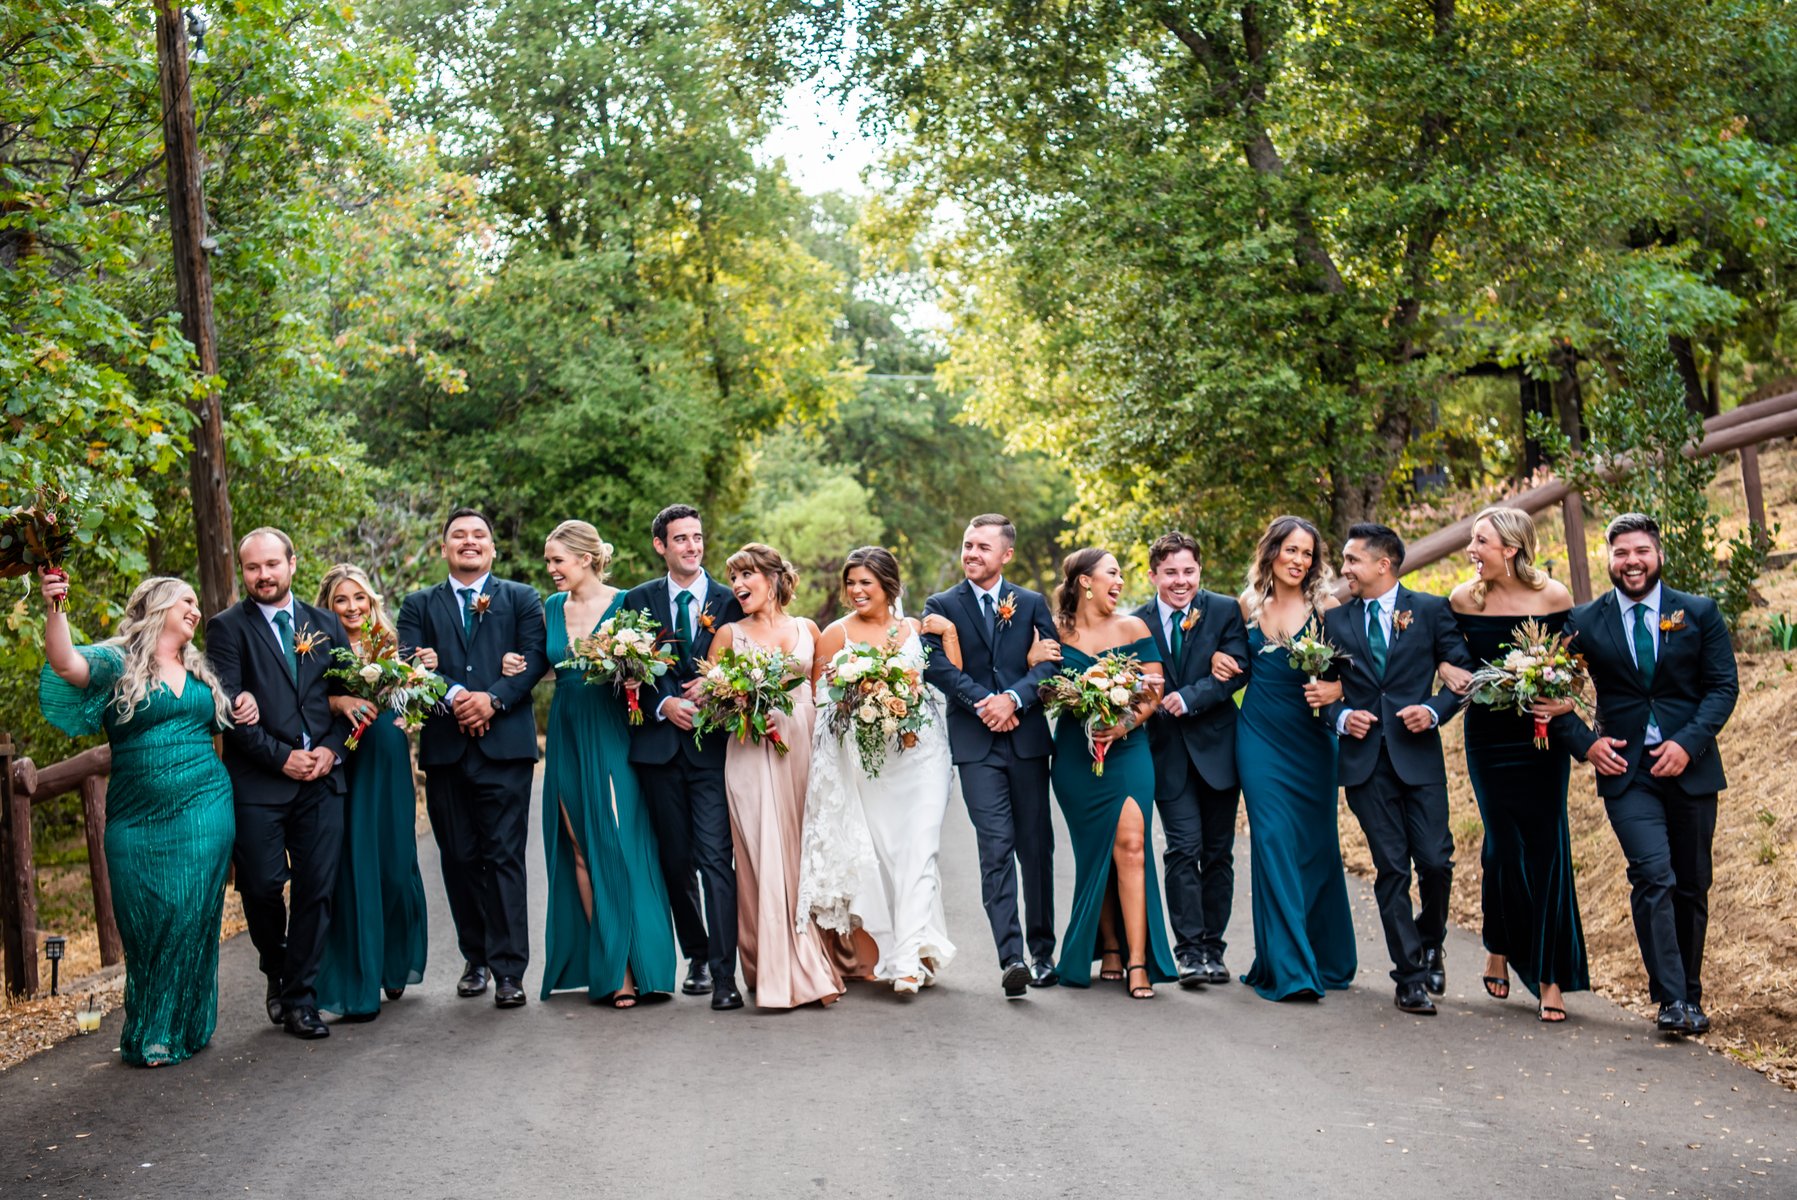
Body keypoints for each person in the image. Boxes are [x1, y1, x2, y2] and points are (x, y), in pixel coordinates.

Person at [37, 573, 239, 1066]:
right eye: (185, 600)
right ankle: (172, 1019)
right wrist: (56, 602)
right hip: (134, 816)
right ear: (157, 606)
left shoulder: (199, 670)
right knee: (142, 920)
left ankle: (161, 1033)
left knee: (187, 912)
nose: (195, 610)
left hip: (204, 807)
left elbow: (224, 722)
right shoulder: (118, 661)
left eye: (197, 602)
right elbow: (64, 662)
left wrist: (247, 704)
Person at [1549, 513, 1739, 1037]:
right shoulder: (1585, 621)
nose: (1631, 562)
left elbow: (1723, 687)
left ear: (1658, 555)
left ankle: (1690, 993)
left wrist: (1687, 743)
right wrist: (1586, 744)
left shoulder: (1698, 612)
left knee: (1691, 883)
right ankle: (1672, 1001)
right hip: (1626, 772)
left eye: (1641, 551)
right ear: (1608, 559)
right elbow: (1545, 690)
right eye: (1621, 553)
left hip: (1690, 768)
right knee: (1653, 875)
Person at [397, 508, 548, 1009]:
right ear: (444, 548)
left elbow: (535, 658)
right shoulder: (418, 604)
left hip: (505, 749)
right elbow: (408, 661)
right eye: (458, 535)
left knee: (503, 856)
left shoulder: (521, 598)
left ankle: (509, 971)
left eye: (479, 535)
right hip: (446, 749)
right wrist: (459, 696)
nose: (469, 541)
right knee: (459, 858)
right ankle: (475, 957)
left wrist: (493, 699)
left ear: (492, 548)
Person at [1323, 522, 1475, 1017]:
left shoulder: (1430, 610)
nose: (1345, 569)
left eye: (1352, 560)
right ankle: (1409, 977)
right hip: (1365, 764)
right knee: (1391, 867)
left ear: (1383, 564)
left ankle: (1431, 943)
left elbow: (1462, 677)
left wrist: (1432, 710)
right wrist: (1342, 717)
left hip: (1419, 758)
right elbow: (1320, 693)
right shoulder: (1335, 622)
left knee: (1435, 861)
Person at [206, 528, 352, 1040]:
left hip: (322, 780)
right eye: (253, 568)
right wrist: (282, 758)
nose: (263, 575)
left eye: (272, 564)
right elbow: (230, 711)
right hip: (260, 783)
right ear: (243, 572)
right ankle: (277, 964)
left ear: (293, 563)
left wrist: (332, 750)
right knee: (262, 885)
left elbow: (347, 698)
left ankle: (301, 999)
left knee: (317, 888)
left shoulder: (326, 624)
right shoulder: (227, 629)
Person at [1446, 507, 1588, 1024]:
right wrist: (1444, 664)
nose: (1471, 550)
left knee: (1546, 848)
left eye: (1480, 541)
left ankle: (1550, 976)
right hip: (1488, 738)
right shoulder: (1464, 599)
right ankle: (1500, 943)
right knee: (1503, 846)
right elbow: (1442, 647)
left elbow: (1576, 664)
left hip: (1539, 737)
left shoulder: (1553, 597)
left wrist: (1566, 700)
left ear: (1510, 548)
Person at [801, 546, 957, 994]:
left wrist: (949, 635)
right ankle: (899, 946)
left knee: (921, 848)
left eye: (865, 582)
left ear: (888, 585)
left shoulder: (914, 630)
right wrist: (859, 700)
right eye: (850, 583)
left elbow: (947, 681)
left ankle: (906, 962)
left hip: (923, 754)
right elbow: (821, 701)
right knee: (889, 855)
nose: (856, 590)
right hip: (870, 762)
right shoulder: (835, 634)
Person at [920, 514, 1063, 998]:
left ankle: (1043, 953)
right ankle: (1012, 958)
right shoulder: (941, 604)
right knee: (995, 846)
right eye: (968, 545)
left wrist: (1015, 699)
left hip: (1026, 742)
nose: (972, 553)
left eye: (983, 547)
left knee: (1035, 848)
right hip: (976, 745)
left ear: (1006, 555)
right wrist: (987, 702)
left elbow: (1051, 662)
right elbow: (933, 664)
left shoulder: (1031, 603)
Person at [539, 520, 676, 1007]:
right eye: (549, 561)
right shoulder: (551, 607)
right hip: (566, 731)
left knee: (621, 841)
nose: (551, 569)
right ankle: (612, 965)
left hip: (613, 730)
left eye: (558, 560)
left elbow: (656, 666)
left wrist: (638, 673)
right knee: (579, 845)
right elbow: (544, 664)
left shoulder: (626, 604)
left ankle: (643, 964)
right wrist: (512, 667)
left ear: (586, 558)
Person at [1225, 516, 1357, 1002]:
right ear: (1272, 552)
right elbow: (1231, 662)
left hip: (1313, 739)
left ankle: (1325, 956)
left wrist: (1337, 690)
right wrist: (1219, 660)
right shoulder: (1247, 605)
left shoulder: (1327, 607)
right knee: (1273, 840)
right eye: (1291, 550)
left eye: (1307, 553)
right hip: (1260, 736)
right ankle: (1290, 967)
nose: (1298, 560)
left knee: (1317, 845)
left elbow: (1359, 671)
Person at [621, 503, 746, 1010]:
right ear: (661, 546)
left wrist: (718, 688)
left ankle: (724, 975)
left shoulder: (731, 600)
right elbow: (624, 670)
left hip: (714, 751)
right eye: (680, 539)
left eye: (697, 537)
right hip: (659, 753)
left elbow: (753, 660)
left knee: (716, 859)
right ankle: (696, 954)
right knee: (675, 862)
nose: (692, 546)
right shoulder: (637, 601)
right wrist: (662, 704)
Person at [711, 543, 842, 1009]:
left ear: (773, 580)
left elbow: (822, 696)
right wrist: (743, 710)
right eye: (733, 577)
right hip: (750, 751)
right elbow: (714, 704)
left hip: (802, 750)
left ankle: (808, 954)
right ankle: (770, 967)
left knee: (801, 853)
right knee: (761, 854)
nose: (738, 585)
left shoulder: (809, 629)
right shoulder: (728, 635)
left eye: (747, 574)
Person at [1047, 548, 1175, 997]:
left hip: (1127, 749)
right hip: (1075, 756)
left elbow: (1153, 692)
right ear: (1085, 581)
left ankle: (1140, 961)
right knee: (1095, 851)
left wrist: (1121, 726)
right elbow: (1041, 686)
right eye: (1112, 573)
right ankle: (1112, 948)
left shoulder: (1133, 628)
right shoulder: (1055, 631)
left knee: (1133, 847)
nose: (1120, 581)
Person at [309, 563, 430, 1021]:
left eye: (359, 597)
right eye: (341, 599)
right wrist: (340, 700)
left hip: (389, 756)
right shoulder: (317, 648)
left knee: (395, 862)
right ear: (328, 605)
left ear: (371, 601)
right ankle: (358, 978)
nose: (352, 607)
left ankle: (395, 959)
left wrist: (412, 704)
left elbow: (414, 697)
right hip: (346, 757)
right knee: (355, 863)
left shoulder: (390, 644)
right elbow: (303, 699)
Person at [1137, 532, 1250, 988]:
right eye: (1170, 573)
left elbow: (1239, 667)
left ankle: (1213, 948)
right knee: (1183, 848)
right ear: (1153, 575)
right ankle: (1188, 952)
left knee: (1218, 853)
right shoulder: (1136, 622)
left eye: (1188, 571)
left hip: (1219, 750)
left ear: (1200, 571)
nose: (1180, 581)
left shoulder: (1224, 610)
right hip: (1166, 753)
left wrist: (1191, 696)